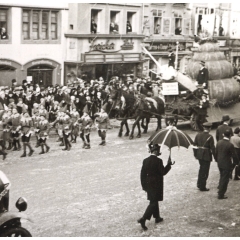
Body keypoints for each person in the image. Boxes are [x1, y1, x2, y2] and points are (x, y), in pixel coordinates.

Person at [137, 143, 173, 231]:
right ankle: (143, 218)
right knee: (153, 202)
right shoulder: (158, 161)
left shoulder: (145, 160)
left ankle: (157, 217)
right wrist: (169, 165)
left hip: (148, 183)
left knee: (154, 200)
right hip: (156, 184)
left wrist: (144, 186)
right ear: (156, 151)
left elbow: (142, 174)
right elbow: (163, 172)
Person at [193, 122, 216, 191]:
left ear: (203, 127)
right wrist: (215, 157)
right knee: (205, 171)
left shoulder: (198, 135)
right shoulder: (210, 137)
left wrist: (195, 154)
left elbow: (194, 146)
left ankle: (199, 184)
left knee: (201, 169)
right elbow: (212, 148)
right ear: (209, 128)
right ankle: (202, 186)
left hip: (199, 155)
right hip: (206, 155)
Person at [216, 130, 236, 199]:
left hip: (220, 163)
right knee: (225, 179)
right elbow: (234, 156)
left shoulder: (218, 142)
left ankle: (220, 189)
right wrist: (235, 164)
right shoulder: (230, 145)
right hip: (226, 164)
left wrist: (217, 160)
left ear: (223, 135)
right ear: (230, 136)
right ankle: (221, 194)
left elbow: (216, 153)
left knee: (222, 176)